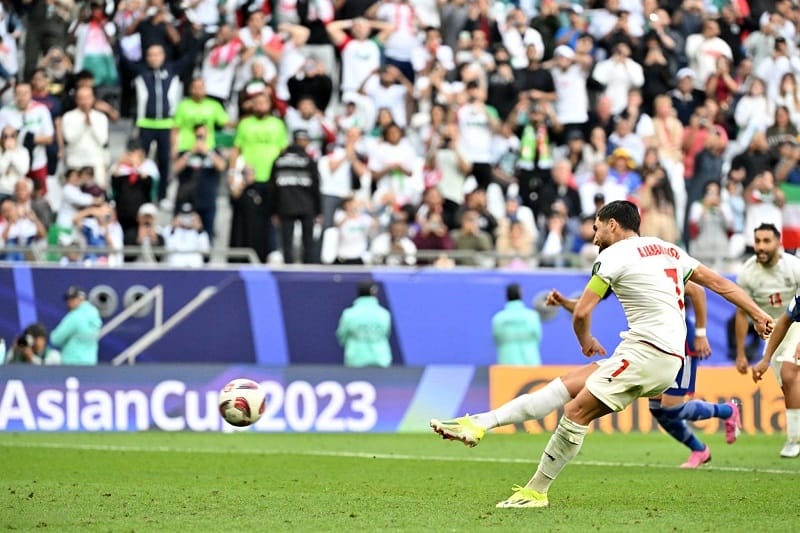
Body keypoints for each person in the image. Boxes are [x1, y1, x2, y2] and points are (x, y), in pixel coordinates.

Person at [431, 200, 773, 508]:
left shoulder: (611, 256)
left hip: (648, 353)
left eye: (596, 228)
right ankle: (479, 423)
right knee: (567, 385)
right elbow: (720, 284)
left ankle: (536, 491)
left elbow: (583, 312)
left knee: (576, 410)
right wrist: (758, 314)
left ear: (612, 224)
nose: (593, 238)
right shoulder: (668, 250)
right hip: (659, 354)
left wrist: (585, 339)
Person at [738, 223, 800, 458]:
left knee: (789, 372)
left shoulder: (794, 267)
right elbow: (741, 312)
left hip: (797, 326)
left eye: (766, 241)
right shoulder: (748, 272)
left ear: (778, 243)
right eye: (758, 241)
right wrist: (743, 354)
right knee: (789, 388)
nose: (761, 247)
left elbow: (794, 314)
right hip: (775, 332)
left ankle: (794, 441)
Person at [336, 281, 392, 368]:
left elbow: (342, 336)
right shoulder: (384, 313)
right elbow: (385, 333)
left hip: (355, 360)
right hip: (380, 360)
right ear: (374, 294)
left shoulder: (349, 314)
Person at [50, 286, 102, 365]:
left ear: (80, 299)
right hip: (91, 364)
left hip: (72, 365)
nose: (69, 302)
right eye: (68, 299)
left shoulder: (74, 316)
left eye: (72, 299)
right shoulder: (95, 315)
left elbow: (55, 339)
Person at [492, 284, 542, 366]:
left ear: (506, 296)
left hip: (506, 365)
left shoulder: (498, 318)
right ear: (521, 295)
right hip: (531, 364)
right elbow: (537, 337)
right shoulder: (532, 316)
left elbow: (496, 339)